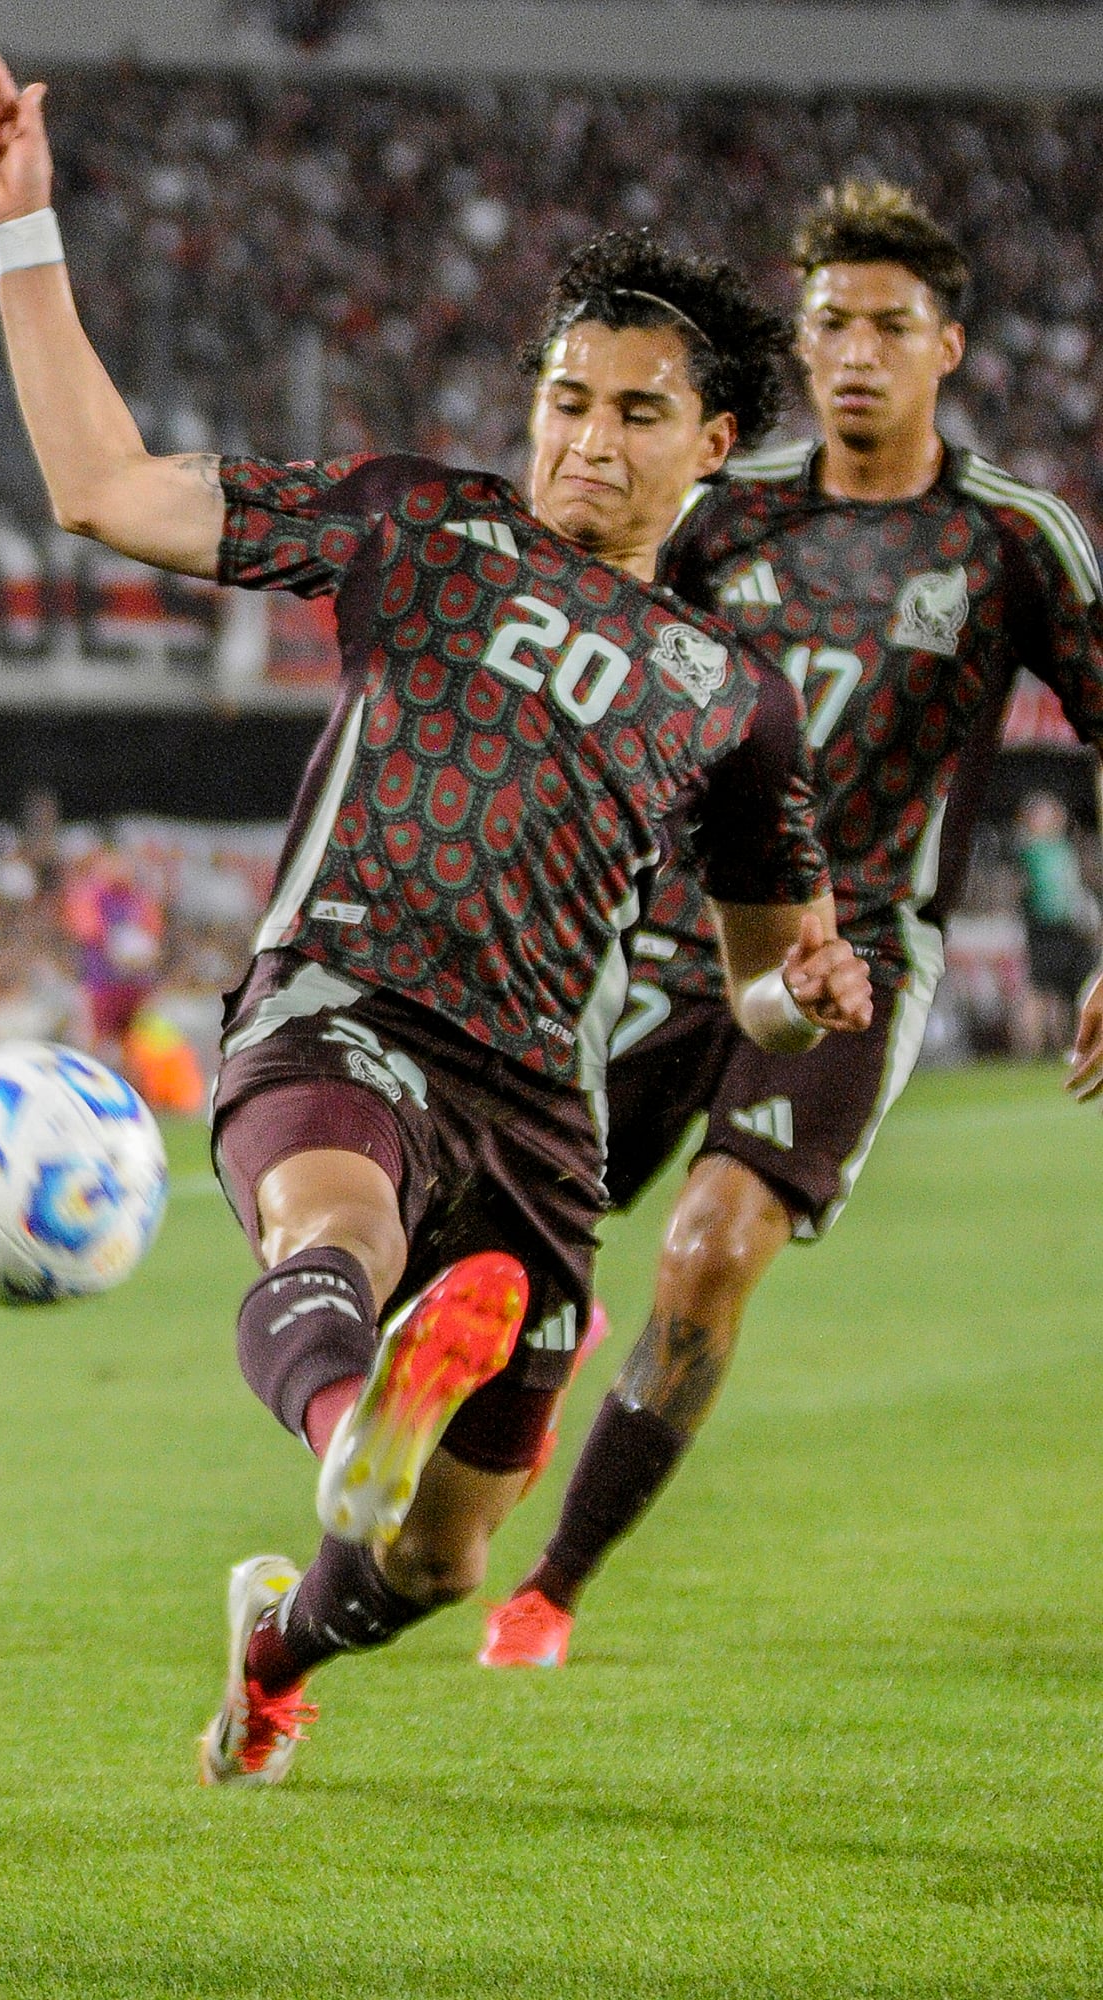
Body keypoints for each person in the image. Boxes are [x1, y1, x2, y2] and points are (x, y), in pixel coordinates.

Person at [0, 53, 871, 1787]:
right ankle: (340, 1418)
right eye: (567, 397)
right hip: (342, 1000)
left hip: (537, 1107)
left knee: (441, 1563)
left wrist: (809, 996)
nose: (587, 438)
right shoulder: (422, 526)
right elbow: (110, 491)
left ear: (717, 443)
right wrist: (22, 233)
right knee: (334, 1225)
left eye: (635, 412)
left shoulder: (737, 700)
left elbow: (759, 1001)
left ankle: (278, 1650)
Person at [482, 185, 1103, 1670]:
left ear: (947, 346)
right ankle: (499, 1419)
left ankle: (551, 1585)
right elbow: (593, 641)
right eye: (829, 322)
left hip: (859, 959)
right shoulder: (722, 511)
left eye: (891, 325)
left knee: (708, 1250)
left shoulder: (1011, 539)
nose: (855, 353)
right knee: (496, 1248)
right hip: (666, 943)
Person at [1015, 793, 1098, 1059]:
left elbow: (1074, 888)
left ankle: (1066, 1044)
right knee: (1040, 988)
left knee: (1069, 990)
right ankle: (1030, 1050)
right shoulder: (1030, 849)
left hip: (1069, 929)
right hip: (1043, 929)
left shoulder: (1065, 848)